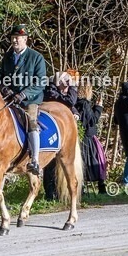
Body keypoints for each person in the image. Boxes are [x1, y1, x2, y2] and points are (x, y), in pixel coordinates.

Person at [0, 23, 48, 175]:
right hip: (9, 98)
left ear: (25, 39)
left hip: (29, 100)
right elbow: (0, 77)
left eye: (18, 38)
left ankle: (35, 160)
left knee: (31, 123)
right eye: (13, 38)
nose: (15, 41)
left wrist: (24, 94)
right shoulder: (7, 57)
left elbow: (41, 82)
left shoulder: (36, 57)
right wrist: (4, 88)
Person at [41, 71, 78, 201]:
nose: (68, 85)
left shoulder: (56, 93)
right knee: (50, 164)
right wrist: (73, 87)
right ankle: (50, 193)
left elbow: (69, 105)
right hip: (50, 132)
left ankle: (57, 191)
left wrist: (74, 112)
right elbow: (70, 101)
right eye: (66, 81)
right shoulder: (51, 92)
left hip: (57, 130)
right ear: (58, 82)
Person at [76, 81, 108, 194]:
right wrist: (98, 107)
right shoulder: (85, 104)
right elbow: (92, 120)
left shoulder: (75, 103)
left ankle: (82, 186)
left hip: (80, 136)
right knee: (97, 160)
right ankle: (101, 187)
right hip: (88, 137)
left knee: (82, 162)